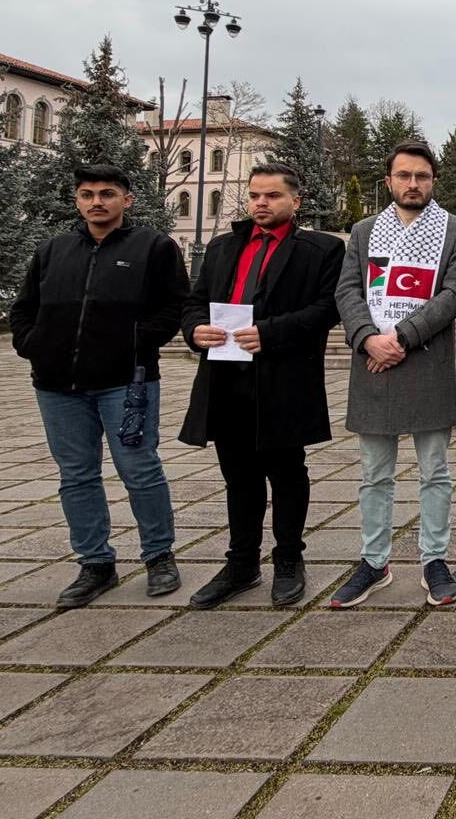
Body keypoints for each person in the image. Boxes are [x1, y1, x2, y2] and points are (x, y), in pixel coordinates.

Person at [9, 164, 188, 608]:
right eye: (87, 194)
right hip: (57, 385)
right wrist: (33, 344)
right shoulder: (54, 249)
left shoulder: (154, 247)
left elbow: (174, 307)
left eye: (107, 193)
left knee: (140, 469)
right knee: (76, 475)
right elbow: (24, 307)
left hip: (127, 382)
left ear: (126, 200)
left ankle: (159, 555)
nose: (96, 202)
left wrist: (134, 342)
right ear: (77, 200)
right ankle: (95, 563)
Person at [180, 163, 345, 609]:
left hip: (283, 379)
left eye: (271, 196)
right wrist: (196, 332)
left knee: (287, 474)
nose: (261, 203)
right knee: (239, 477)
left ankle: (289, 560)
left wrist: (270, 333)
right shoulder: (222, 247)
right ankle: (241, 563)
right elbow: (194, 304)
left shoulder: (321, 249)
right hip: (225, 377)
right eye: (255, 195)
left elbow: (327, 309)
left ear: (295, 200)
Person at [331, 143, 456, 608]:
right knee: (374, 474)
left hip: (426, 360)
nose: (413, 184)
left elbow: (454, 295)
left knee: (435, 471)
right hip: (372, 363)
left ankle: (434, 559)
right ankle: (374, 561)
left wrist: (402, 339)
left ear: (434, 181)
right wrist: (369, 339)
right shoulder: (363, 231)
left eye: (422, 176)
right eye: (404, 176)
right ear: (389, 181)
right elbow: (348, 290)